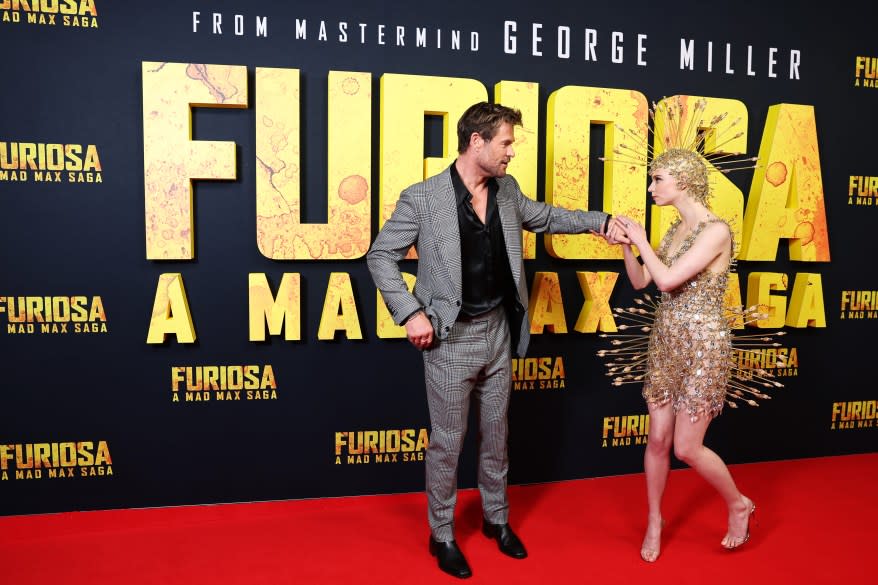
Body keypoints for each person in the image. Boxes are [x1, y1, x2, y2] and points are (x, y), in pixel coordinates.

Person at [367, 102, 610, 579]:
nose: (512, 152)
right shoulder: (421, 198)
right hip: (449, 341)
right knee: (447, 444)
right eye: (506, 142)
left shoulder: (507, 190)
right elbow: (381, 256)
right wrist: (412, 312)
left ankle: (496, 520)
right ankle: (441, 534)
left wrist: (600, 223)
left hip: (500, 333)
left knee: (496, 436)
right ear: (476, 142)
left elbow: (546, 218)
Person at [605, 148, 757, 563]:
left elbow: (669, 280)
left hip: (704, 344)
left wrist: (639, 238)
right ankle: (655, 519)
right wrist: (625, 247)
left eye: (658, 179)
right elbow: (642, 282)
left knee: (687, 447)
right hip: (666, 340)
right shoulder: (673, 232)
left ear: (684, 182)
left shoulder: (716, 231)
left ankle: (739, 504)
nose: (652, 187)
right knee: (657, 439)